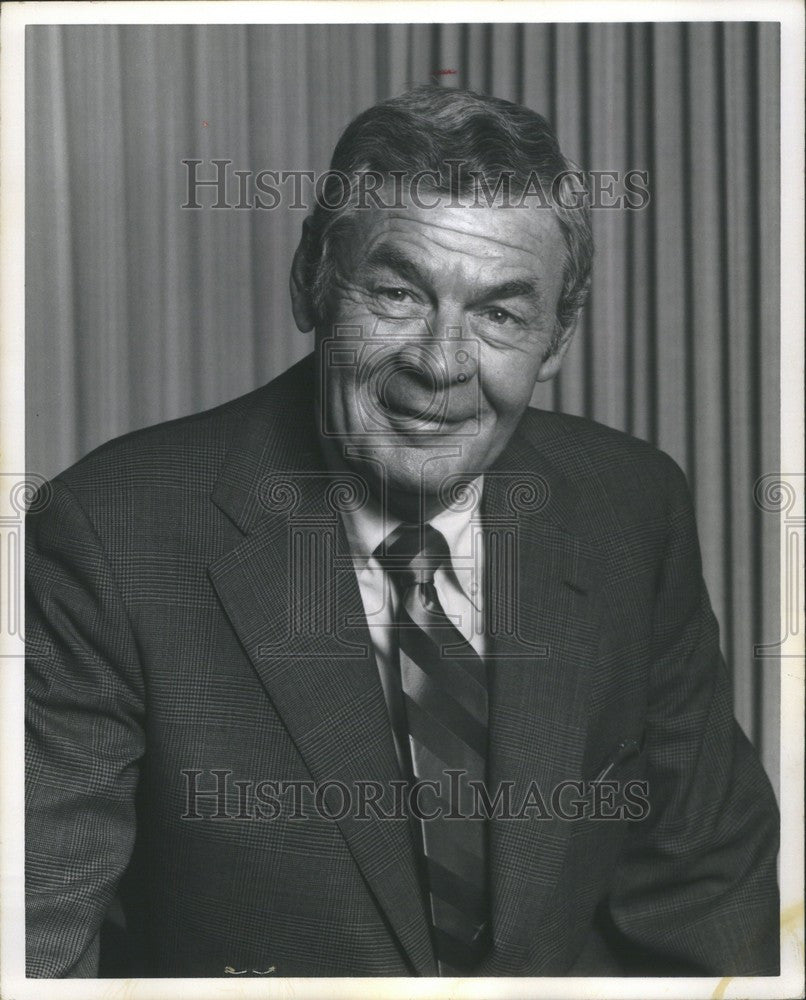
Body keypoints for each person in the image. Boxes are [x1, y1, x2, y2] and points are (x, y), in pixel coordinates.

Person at [25, 86, 779, 979]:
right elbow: (36, 937)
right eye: (396, 293)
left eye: (500, 313)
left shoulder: (631, 505)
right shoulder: (112, 530)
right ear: (312, 278)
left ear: (558, 338)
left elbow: (706, 890)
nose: (441, 363)